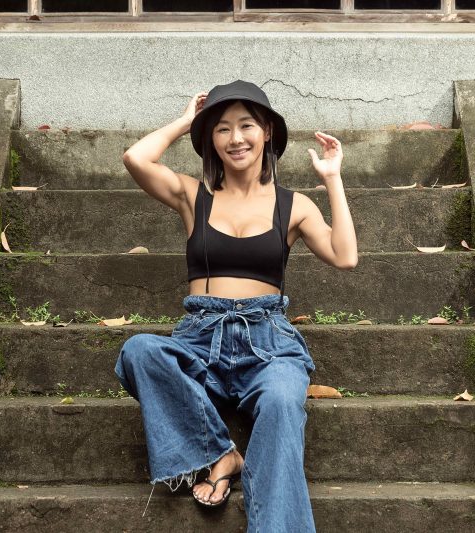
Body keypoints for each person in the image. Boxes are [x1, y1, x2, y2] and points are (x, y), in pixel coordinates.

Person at [114, 80, 358, 532]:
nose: (235, 138)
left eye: (246, 125)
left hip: (268, 344)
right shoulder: (194, 196)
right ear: (211, 139)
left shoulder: (293, 206)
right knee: (139, 351)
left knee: (283, 400)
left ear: (267, 132)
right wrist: (186, 121)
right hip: (201, 338)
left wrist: (332, 178)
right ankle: (221, 452)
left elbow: (345, 256)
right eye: (222, 128)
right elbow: (136, 158)